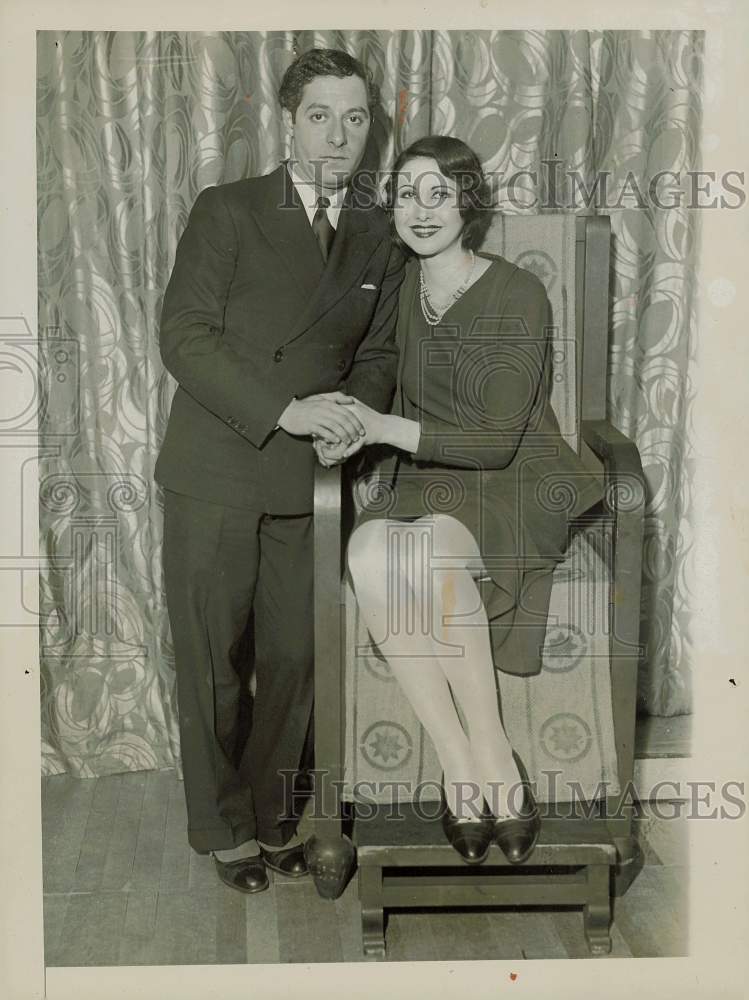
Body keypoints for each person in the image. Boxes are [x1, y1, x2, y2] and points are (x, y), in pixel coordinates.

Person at [155, 48, 405, 894]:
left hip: (311, 477)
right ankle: (222, 826)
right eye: (321, 116)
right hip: (219, 467)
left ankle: (273, 815)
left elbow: (378, 351)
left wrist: (354, 416)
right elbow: (184, 337)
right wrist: (286, 410)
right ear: (288, 123)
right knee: (213, 660)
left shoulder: (379, 232)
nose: (340, 135)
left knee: (297, 656)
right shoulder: (226, 210)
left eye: (357, 118)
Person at [319, 135, 604, 865]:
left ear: (467, 204)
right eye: (406, 194)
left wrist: (382, 427)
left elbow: (495, 441)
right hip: (426, 481)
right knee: (370, 551)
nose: (419, 211)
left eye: (438, 194)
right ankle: (462, 761)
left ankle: (491, 765)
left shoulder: (517, 291)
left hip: (515, 479)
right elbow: (364, 374)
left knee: (425, 562)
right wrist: (341, 422)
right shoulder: (390, 289)